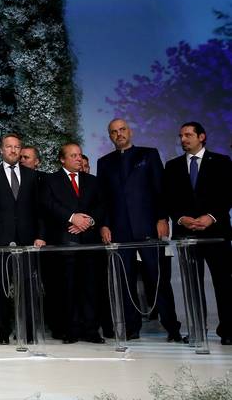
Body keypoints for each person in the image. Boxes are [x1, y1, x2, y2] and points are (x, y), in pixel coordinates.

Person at [96, 118, 181, 341]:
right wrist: (104, 224)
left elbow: (159, 189)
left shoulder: (149, 154)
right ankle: (132, 328)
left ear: (130, 132)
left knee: (158, 278)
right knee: (125, 281)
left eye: (122, 130)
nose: (119, 134)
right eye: (114, 132)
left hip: (148, 226)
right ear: (110, 136)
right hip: (119, 229)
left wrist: (162, 218)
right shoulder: (104, 162)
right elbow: (103, 198)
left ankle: (172, 327)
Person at [164, 122, 232, 344]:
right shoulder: (172, 166)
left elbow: (227, 195)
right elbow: (169, 199)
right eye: (181, 136)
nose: (183, 139)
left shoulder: (222, 162)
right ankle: (197, 330)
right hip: (187, 236)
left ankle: (228, 331)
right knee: (192, 285)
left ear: (201, 136)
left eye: (188, 135)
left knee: (224, 283)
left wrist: (210, 217)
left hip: (216, 233)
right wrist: (181, 218)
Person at [0, 133, 45, 345]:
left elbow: (39, 210)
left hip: (27, 239)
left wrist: (40, 236)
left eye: (17, 147)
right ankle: (3, 331)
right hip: (1, 240)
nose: (13, 150)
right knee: (3, 287)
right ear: (1, 150)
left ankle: (27, 330)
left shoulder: (32, 176)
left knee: (27, 286)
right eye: (9, 147)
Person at [40, 143, 105, 344]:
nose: (79, 158)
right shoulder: (50, 180)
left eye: (80, 155)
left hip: (89, 242)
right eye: (73, 155)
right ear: (62, 159)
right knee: (66, 288)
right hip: (63, 242)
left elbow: (101, 206)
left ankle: (91, 330)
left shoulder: (92, 181)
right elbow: (48, 205)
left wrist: (88, 222)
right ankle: (70, 330)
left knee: (90, 287)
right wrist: (72, 217)